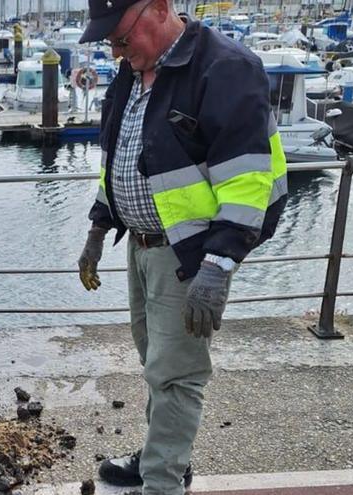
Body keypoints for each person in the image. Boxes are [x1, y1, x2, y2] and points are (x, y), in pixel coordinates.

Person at [76, 1, 287, 494]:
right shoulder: (133, 71)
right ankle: (164, 457)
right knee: (156, 364)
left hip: (191, 253)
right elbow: (121, 157)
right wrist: (98, 226)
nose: (116, 50)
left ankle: (163, 483)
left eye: (122, 37)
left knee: (177, 376)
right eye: (109, 41)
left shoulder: (224, 68)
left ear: (160, 7)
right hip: (144, 246)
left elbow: (248, 180)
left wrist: (218, 264)